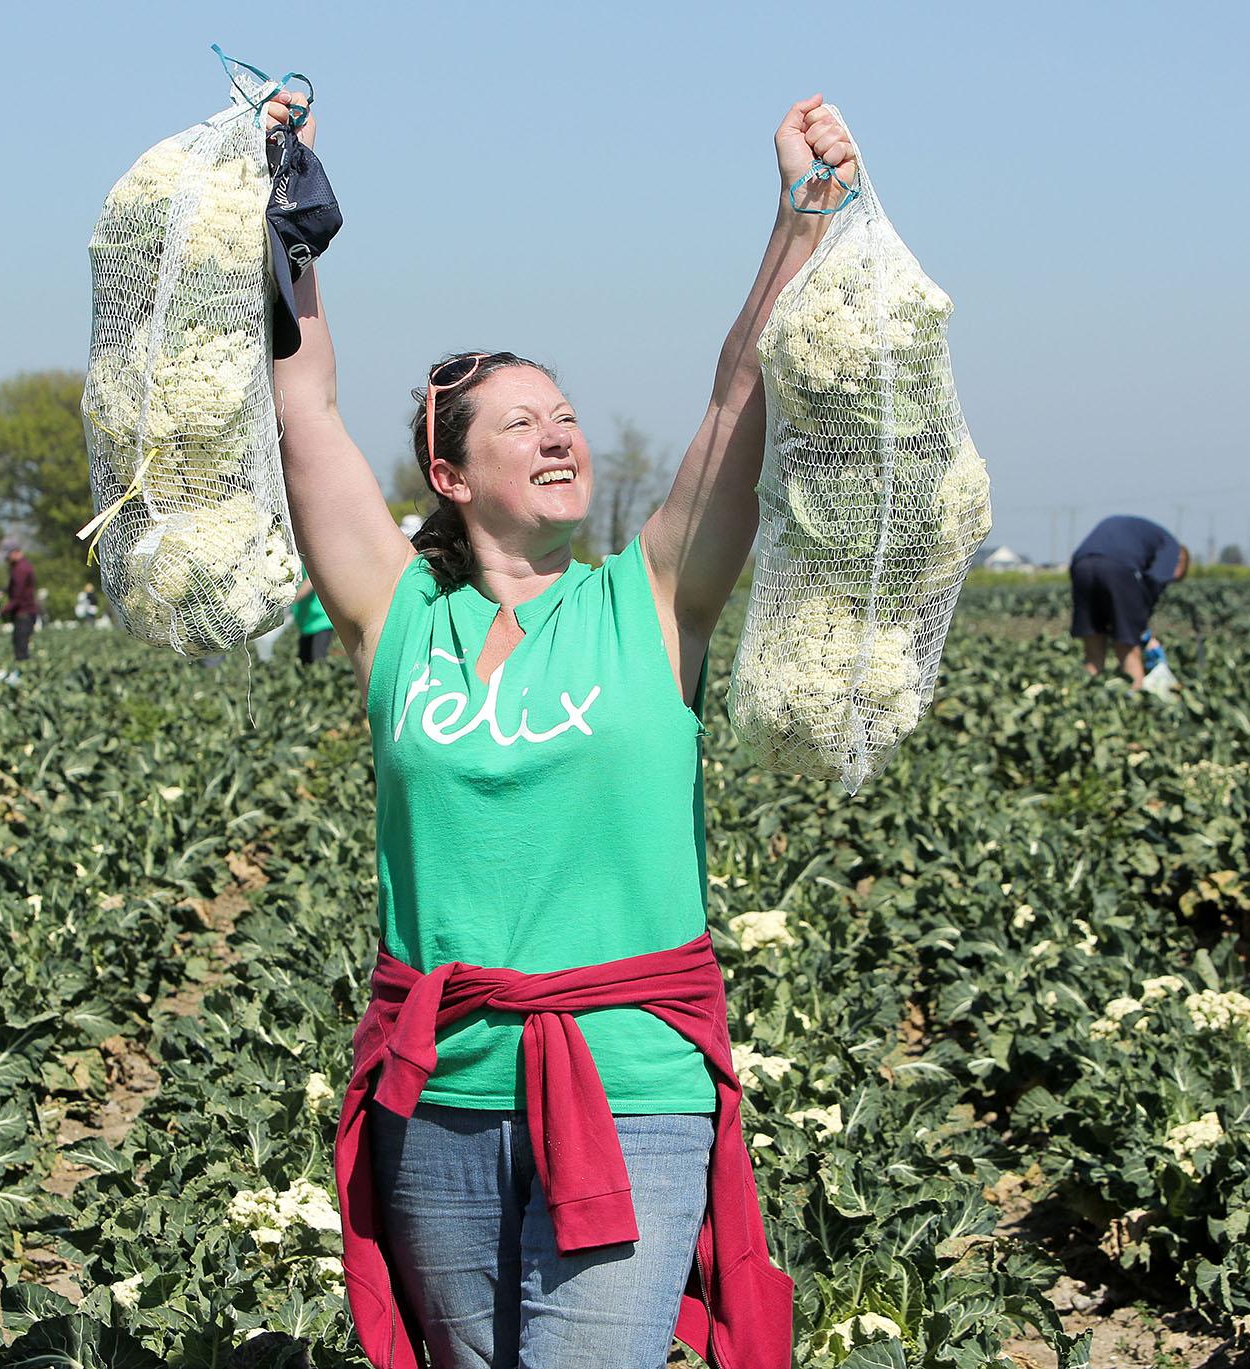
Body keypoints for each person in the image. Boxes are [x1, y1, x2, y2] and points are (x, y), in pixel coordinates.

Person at [266, 89, 852, 1368]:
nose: (560, 432)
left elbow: (732, 395)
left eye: (566, 412)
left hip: (631, 1086)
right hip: (443, 1094)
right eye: (519, 421)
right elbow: (303, 416)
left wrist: (796, 220)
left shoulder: (647, 601)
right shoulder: (393, 619)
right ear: (452, 473)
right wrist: (284, 222)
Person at [1068, 515, 1190, 689]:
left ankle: (1088, 697)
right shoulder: (1172, 547)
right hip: (1117, 568)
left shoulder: (1144, 534)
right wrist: (1139, 627)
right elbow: (1155, 580)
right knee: (1127, 648)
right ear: (1180, 562)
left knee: (1093, 646)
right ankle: (1134, 698)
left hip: (1081, 565)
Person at [2, 538, 39, 662]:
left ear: (14, 552)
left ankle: (25, 674)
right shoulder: (23, 566)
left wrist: (3, 610)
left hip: (24, 614)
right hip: (28, 613)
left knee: (21, 650)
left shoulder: (20, 570)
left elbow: (18, 596)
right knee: (22, 647)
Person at [289, 568, 333, 664]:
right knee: (304, 663)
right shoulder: (296, 558)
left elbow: (311, 582)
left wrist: (289, 600)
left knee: (318, 662)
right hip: (306, 622)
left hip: (320, 620)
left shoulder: (310, 556)